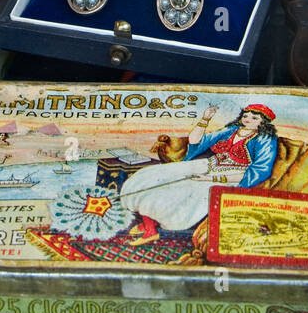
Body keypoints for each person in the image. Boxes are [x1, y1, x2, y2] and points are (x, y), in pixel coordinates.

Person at [119, 104, 279, 246]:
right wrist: (205, 118)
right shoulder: (232, 130)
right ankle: (150, 223)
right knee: (156, 174)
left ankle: (151, 231)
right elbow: (196, 141)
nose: (248, 119)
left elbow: (259, 169)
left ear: (262, 121)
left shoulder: (265, 139)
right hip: (209, 165)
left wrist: (211, 178)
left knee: (184, 189)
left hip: (231, 177)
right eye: (245, 115)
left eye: (254, 117)